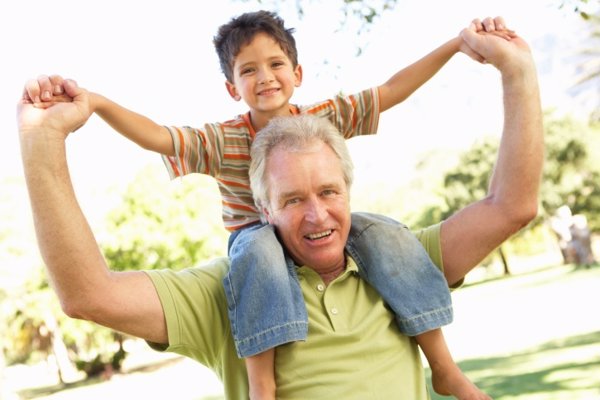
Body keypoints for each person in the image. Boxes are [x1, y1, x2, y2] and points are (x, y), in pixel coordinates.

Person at [19, 16, 542, 399]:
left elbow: (394, 94)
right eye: (292, 198)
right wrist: (90, 109)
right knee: (260, 255)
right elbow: (156, 140)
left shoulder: (380, 234)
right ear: (232, 86)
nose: (316, 214)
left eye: (328, 191)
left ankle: (443, 365)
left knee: (384, 232)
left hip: (371, 240)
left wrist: (464, 47)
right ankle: (261, 388)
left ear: (297, 72)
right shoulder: (223, 147)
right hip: (251, 245)